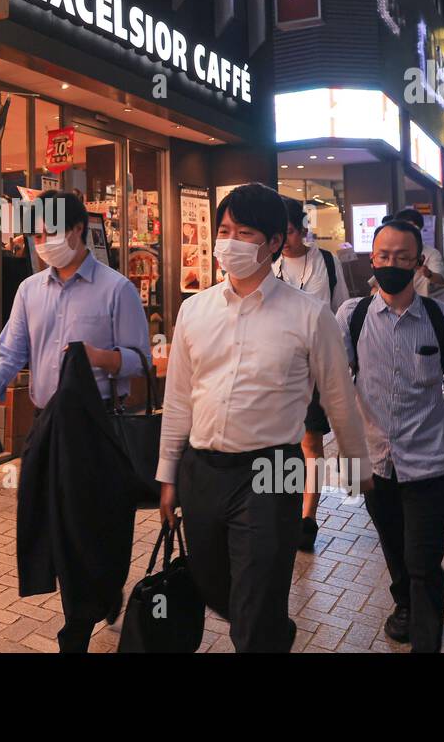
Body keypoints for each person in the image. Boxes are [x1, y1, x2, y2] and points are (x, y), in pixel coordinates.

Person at [158, 183, 373, 653]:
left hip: (273, 470)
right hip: (203, 470)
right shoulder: (193, 311)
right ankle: (272, 627)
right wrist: (168, 475)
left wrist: (359, 469)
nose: (229, 242)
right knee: (216, 584)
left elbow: (339, 398)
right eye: (224, 230)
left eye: (244, 232)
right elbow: (178, 401)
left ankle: (263, 631)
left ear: (275, 241)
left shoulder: (310, 316)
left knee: (255, 603)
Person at [0, 189, 150, 652]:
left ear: (79, 230)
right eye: (36, 232)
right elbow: (11, 352)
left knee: (95, 526)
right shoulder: (29, 291)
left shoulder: (115, 289)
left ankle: (92, 603)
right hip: (47, 427)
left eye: (52, 231)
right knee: (53, 526)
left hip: (99, 430)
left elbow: (140, 359)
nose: (43, 240)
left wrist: (99, 357)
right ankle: (80, 617)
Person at [336, 219, 444, 653]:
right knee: (394, 551)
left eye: (402, 257)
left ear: (418, 263)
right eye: (383, 256)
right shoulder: (351, 317)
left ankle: (426, 641)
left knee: (424, 561)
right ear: (372, 259)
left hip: (430, 461)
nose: (392, 264)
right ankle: (406, 607)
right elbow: (333, 383)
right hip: (375, 460)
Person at [273, 197, 350, 552]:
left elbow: (341, 313)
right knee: (278, 442)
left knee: (310, 443)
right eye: (280, 231)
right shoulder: (268, 265)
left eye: (289, 230)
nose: (285, 238)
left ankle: (307, 517)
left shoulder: (327, 264)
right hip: (275, 369)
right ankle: (281, 508)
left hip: (314, 367)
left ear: (303, 229)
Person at [392, 207, 444, 296]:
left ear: (419, 229)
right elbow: (376, 285)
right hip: (393, 305)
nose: (406, 231)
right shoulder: (391, 251)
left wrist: (428, 273)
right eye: (402, 228)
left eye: (411, 227)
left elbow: (441, 280)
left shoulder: (431, 253)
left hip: (421, 305)